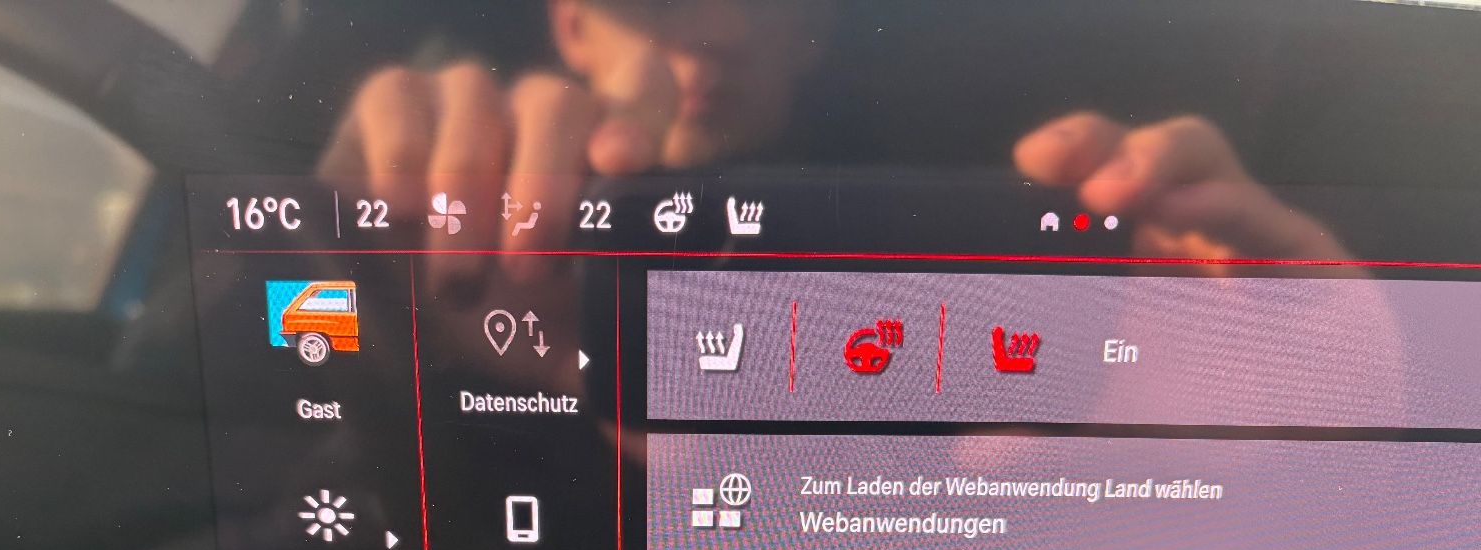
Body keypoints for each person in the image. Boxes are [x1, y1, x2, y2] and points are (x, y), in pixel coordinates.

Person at [320, 0, 1350, 268]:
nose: (714, 29)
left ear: (811, 33)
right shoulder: (445, 201)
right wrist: (344, 261)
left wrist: (1334, 422)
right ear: (571, 27)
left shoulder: (972, 208)